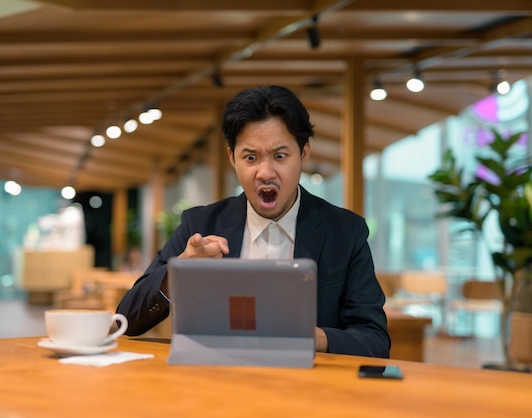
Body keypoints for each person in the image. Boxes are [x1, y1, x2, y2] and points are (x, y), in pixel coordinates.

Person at [117, 85, 390, 358]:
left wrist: (315, 337)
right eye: (250, 157)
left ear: (304, 154)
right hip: (216, 386)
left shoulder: (345, 232)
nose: (265, 173)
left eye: (280, 156)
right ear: (232, 158)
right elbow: (127, 319)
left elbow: (375, 340)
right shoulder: (200, 224)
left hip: (307, 389)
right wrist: (179, 273)